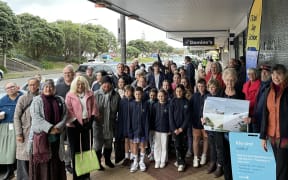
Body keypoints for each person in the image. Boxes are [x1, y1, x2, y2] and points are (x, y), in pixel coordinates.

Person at [29, 79, 67, 180]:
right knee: (44, 164)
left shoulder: (60, 100)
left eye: (50, 86)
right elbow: (36, 117)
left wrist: (58, 127)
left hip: (57, 137)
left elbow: (65, 115)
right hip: (42, 138)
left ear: (54, 89)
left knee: (56, 160)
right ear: (42, 88)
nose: (48, 89)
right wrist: (50, 128)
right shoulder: (37, 100)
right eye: (46, 86)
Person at [65, 76, 98, 180]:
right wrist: (78, 125)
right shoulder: (70, 95)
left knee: (87, 149)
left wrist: (90, 122)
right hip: (73, 126)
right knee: (76, 151)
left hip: (87, 124)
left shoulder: (90, 94)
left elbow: (94, 108)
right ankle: (77, 175)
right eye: (78, 84)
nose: (80, 86)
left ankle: (86, 175)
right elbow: (68, 111)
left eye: (82, 84)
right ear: (75, 85)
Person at [260, 64, 288, 180]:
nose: (276, 77)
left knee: (281, 169)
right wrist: (262, 136)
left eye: (279, 74)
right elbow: (265, 114)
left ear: (285, 75)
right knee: (280, 166)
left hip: (285, 137)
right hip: (272, 136)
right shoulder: (267, 91)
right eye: (274, 74)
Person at [218, 68, 244, 179]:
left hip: (235, 133)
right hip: (222, 134)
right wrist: (206, 119)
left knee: (236, 159)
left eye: (232, 80)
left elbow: (243, 114)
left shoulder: (241, 95)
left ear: (236, 80)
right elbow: (213, 113)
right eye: (227, 80)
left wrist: (246, 119)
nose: (230, 83)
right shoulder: (219, 94)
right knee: (226, 161)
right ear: (224, 80)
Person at [14, 78, 40, 180]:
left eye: (34, 84)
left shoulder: (42, 97)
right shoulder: (23, 98)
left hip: (38, 133)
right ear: (28, 86)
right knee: (24, 157)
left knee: (37, 156)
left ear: (38, 85)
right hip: (25, 132)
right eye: (30, 85)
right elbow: (16, 116)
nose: (32, 87)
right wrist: (19, 133)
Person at [93, 76, 121, 170]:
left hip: (110, 123)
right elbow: (90, 109)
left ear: (111, 84)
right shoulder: (95, 94)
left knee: (108, 144)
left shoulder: (116, 95)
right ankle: (97, 163)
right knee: (97, 145)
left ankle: (108, 161)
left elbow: (119, 110)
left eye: (108, 83)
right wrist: (95, 115)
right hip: (98, 124)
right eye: (104, 83)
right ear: (101, 84)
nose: (106, 85)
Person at [0, 82, 23, 180]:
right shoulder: (2, 100)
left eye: (12, 87)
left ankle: (18, 170)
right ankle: (9, 171)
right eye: (7, 88)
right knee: (6, 150)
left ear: (17, 87)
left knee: (17, 148)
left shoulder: (23, 97)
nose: (10, 89)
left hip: (19, 126)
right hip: (5, 126)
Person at [55, 64, 75, 173]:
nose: (67, 75)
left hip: (73, 120)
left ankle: (68, 163)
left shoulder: (77, 86)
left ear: (73, 74)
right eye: (65, 73)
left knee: (71, 142)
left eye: (69, 73)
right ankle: (61, 161)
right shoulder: (58, 87)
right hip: (60, 120)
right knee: (60, 142)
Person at [128, 87, 149, 173]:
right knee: (135, 146)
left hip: (143, 130)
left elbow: (147, 119)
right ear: (134, 94)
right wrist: (130, 130)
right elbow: (129, 118)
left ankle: (141, 162)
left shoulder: (145, 104)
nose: (138, 95)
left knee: (142, 146)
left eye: (139, 94)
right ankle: (135, 162)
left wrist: (147, 130)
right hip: (134, 130)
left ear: (142, 94)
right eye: (136, 94)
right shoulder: (131, 104)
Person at [169, 84, 189, 172]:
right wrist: (174, 129)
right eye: (177, 91)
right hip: (175, 129)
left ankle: (180, 160)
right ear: (175, 92)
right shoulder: (172, 102)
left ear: (183, 91)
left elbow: (187, 117)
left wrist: (182, 128)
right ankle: (181, 163)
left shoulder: (186, 102)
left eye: (180, 91)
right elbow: (170, 117)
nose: (179, 93)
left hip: (183, 129)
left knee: (184, 146)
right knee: (177, 145)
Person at [190, 79, 209, 168]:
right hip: (196, 122)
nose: (201, 88)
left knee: (206, 138)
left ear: (205, 86)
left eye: (202, 86)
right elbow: (190, 108)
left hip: (206, 122)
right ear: (197, 87)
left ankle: (204, 155)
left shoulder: (209, 96)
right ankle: (196, 157)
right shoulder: (194, 96)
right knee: (196, 139)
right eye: (199, 86)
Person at [151, 89, 170, 169]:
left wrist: (170, 129)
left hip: (165, 130)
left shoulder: (168, 106)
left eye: (162, 96)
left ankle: (163, 161)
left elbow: (170, 119)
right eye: (159, 96)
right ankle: (157, 160)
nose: (160, 97)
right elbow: (152, 118)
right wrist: (152, 129)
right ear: (157, 97)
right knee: (156, 145)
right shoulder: (155, 105)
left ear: (165, 96)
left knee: (164, 145)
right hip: (156, 129)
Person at [117, 85, 134, 166]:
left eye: (129, 91)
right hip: (124, 124)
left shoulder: (134, 101)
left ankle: (132, 157)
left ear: (132, 92)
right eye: (126, 91)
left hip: (132, 125)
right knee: (126, 141)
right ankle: (127, 157)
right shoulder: (121, 102)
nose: (127, 92)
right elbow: (120, 115)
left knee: (132, 141)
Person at [252, 64, 272, 133]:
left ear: (271, 74)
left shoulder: (272, 87)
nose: (263, 74)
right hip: (257, 121)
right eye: (262, 71)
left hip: (265, 124)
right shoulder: (261, 85)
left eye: (266, 72)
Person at [242, 68, 261, 132]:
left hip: (255, 112)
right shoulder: (245, 84)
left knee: (255, 132)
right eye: (249, 74)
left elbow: (258, 99)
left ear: (256, 74)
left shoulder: (260, 85)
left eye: (253, 74)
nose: (251, 75)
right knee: (247, 132)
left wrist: (246, 105)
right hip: (246, 112)